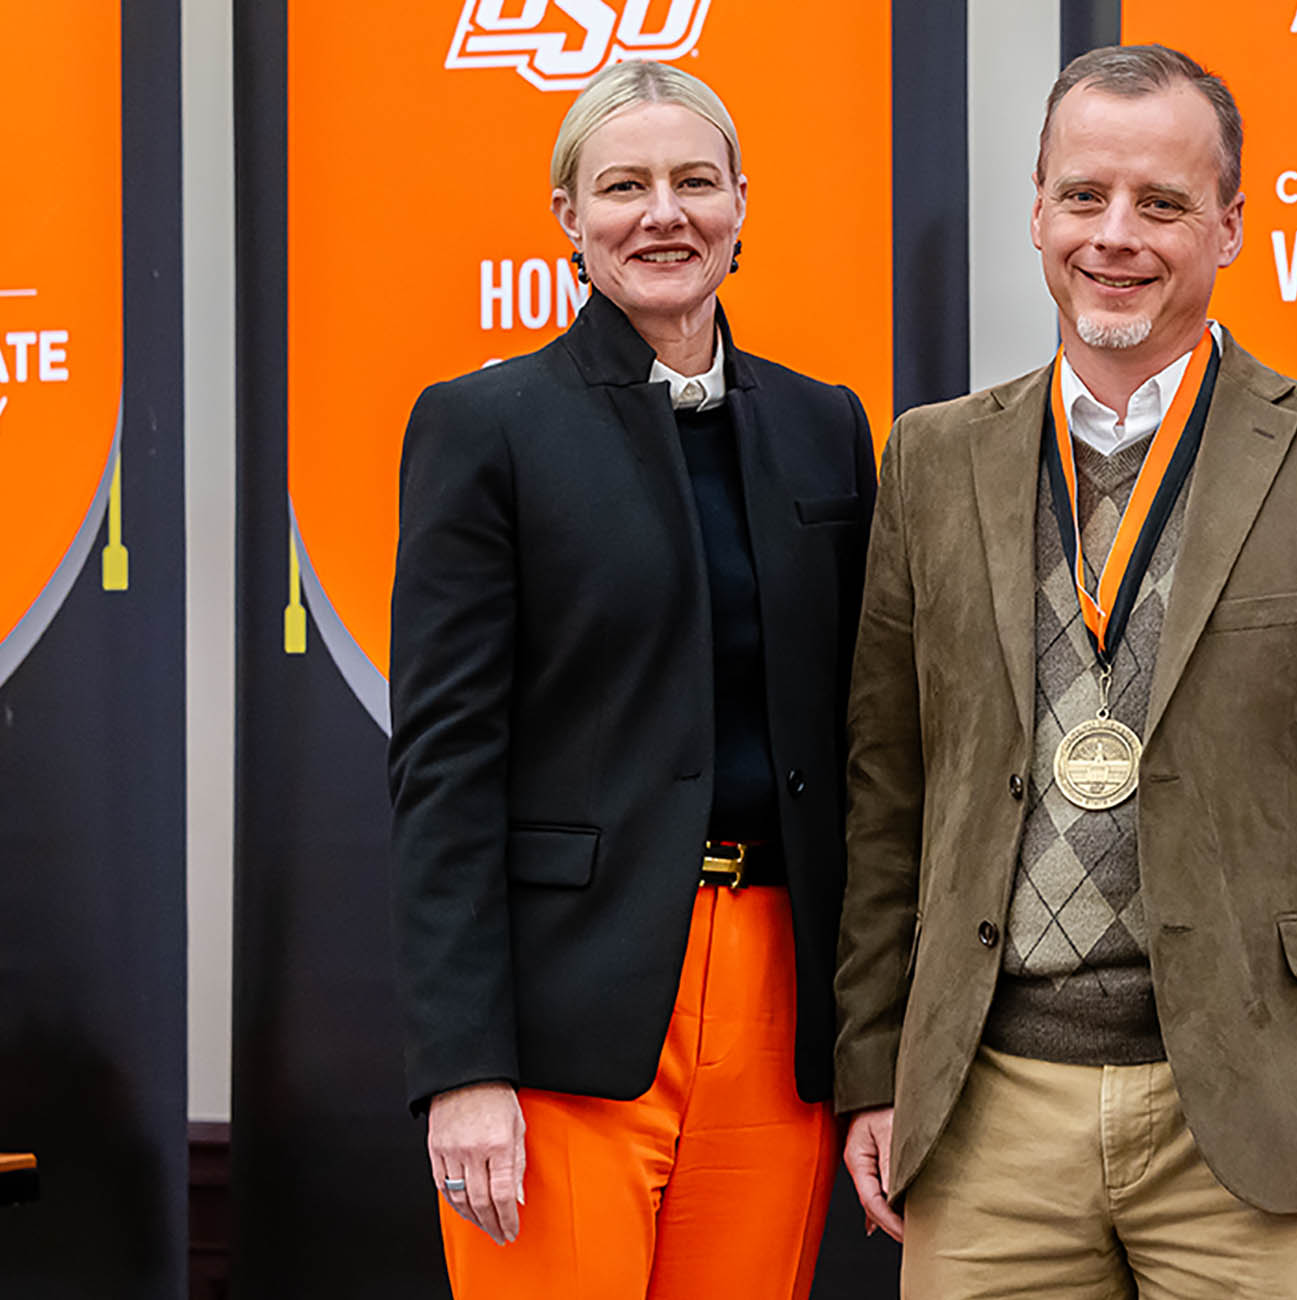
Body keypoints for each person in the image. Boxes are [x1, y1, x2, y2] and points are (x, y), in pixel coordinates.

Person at [832, 43, 1297, 1300]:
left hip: (1264, 1108)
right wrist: (873, 1070)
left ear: (1230, 226)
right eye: (1083, 196)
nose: (1114, 236)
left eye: (1163, 203)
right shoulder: (928, 461)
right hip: (984, 1119)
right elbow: (888, 792)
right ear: (1034, 209)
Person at [387, 60, 875, 1300]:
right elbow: (443, 767)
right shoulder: (484, 425)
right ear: (568, 217)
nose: (663, 213)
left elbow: (871, 743)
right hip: (567, 1017)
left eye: (694, 182)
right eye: (623, 186)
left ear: (741, 207)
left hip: (781, 1009)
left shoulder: (828, 426)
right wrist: (465, 1066)